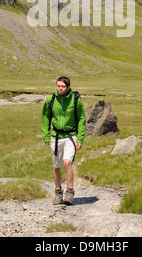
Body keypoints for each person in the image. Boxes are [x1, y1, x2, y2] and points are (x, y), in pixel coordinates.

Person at [41, 76, 86, 205]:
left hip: (70, 136)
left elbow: (82, 119)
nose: (60, 89)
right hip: (56, 136)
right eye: (58, 86)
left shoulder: (75, 100)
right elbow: (45, 118)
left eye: (63, 86)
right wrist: (46, 136)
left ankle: (70, 192)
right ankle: (58, 193)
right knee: (56, 167)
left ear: (68, 87)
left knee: (67, 162)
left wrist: (80, 138)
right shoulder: (51, 100)